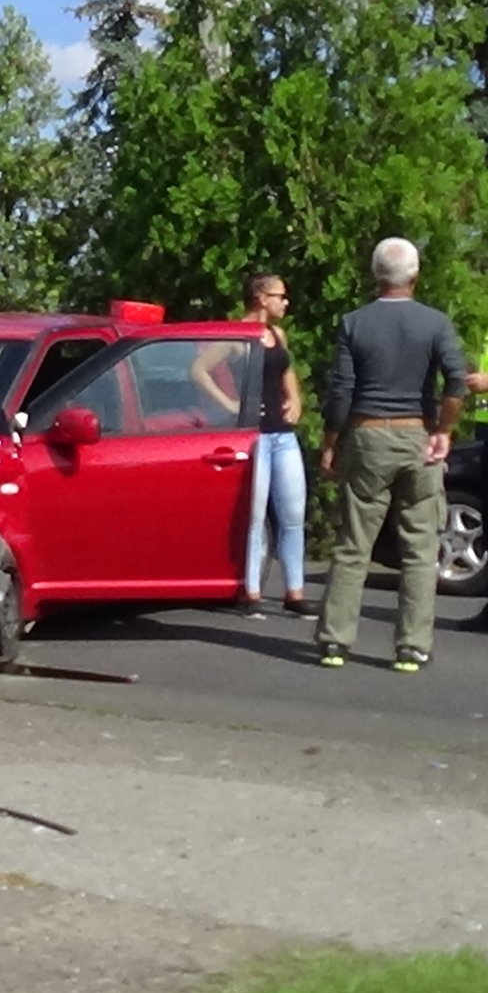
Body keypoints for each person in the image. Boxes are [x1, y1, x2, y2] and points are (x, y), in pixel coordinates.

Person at [314, 238, 468, 671]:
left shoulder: (353, 323)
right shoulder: (435, 324)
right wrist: (443, 431)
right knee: (420, 547)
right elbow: (456, 381)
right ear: (415, 276)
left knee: (353, 544)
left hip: (366, 435)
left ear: (375, 275)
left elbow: (341, 391)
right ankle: (412, 647)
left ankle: (334, 642)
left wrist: (330, 443)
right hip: (416, 436)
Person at [190, 274, 318, 618]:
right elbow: (199, 370)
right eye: (280, 296)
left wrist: (295, 399)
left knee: (292, 513)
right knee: (255, 514)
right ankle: (251, 590)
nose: (284, 303)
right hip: (254, 434)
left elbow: (286, 372)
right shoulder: (238, 335)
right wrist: (230, 404)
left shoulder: (277, 334)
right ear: (261, 297)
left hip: (282, 433)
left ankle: (295, 590)